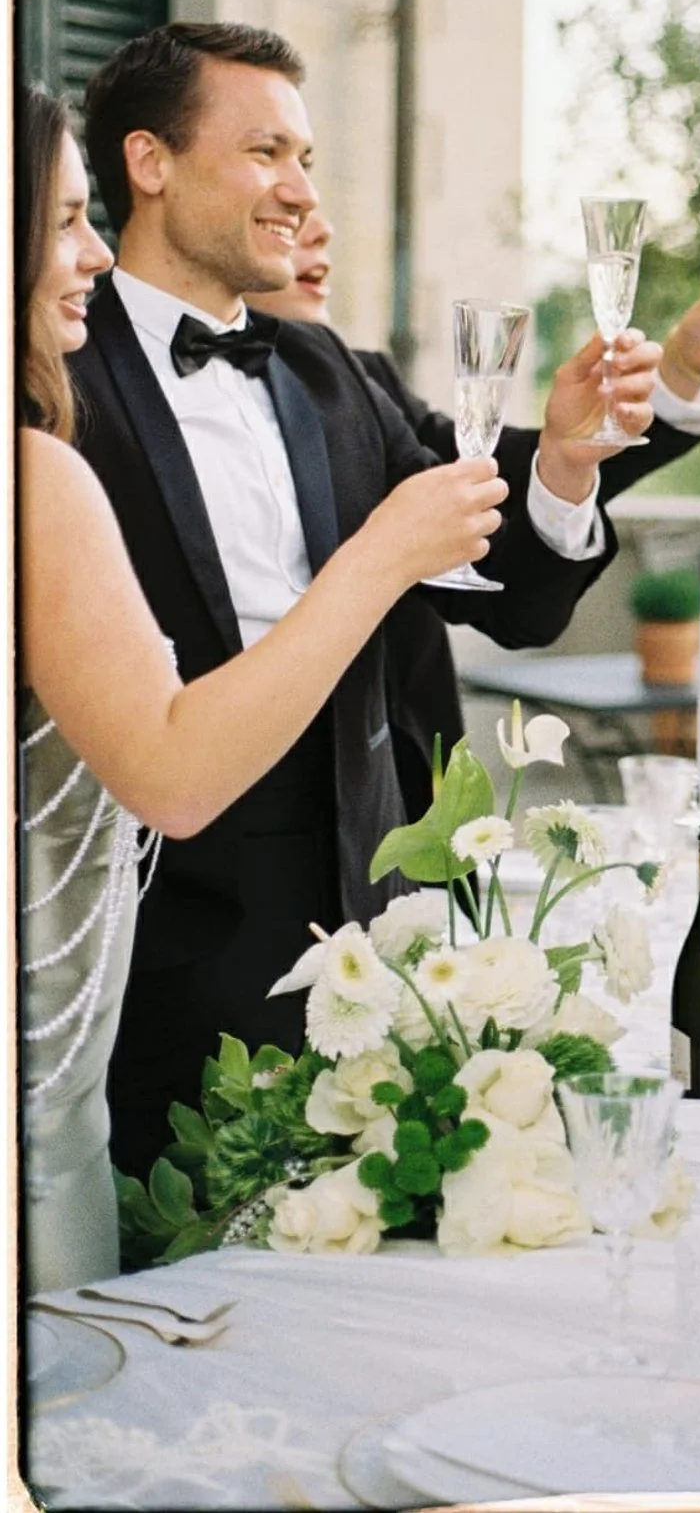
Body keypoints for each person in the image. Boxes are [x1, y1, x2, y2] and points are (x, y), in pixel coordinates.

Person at [71, 21, 627, 1179]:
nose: (298, 189)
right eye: (268, 150)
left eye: (308, 158)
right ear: (150, 162)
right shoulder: (58, 383)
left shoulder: (325, 371)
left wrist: (565, 461)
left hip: (368, 952)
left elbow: (509, 600)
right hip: (159, 952)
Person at [18, 86, 505, 1291]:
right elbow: (173, 772)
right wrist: (383, 553)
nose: (91, 251)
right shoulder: (41, 475)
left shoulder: (322, 370)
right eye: (66, 219)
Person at [247, 208, 700, 811]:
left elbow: (505, 468)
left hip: (409, 822)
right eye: (266, 160)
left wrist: (677, 369)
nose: (320, 227)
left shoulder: (360, 381)